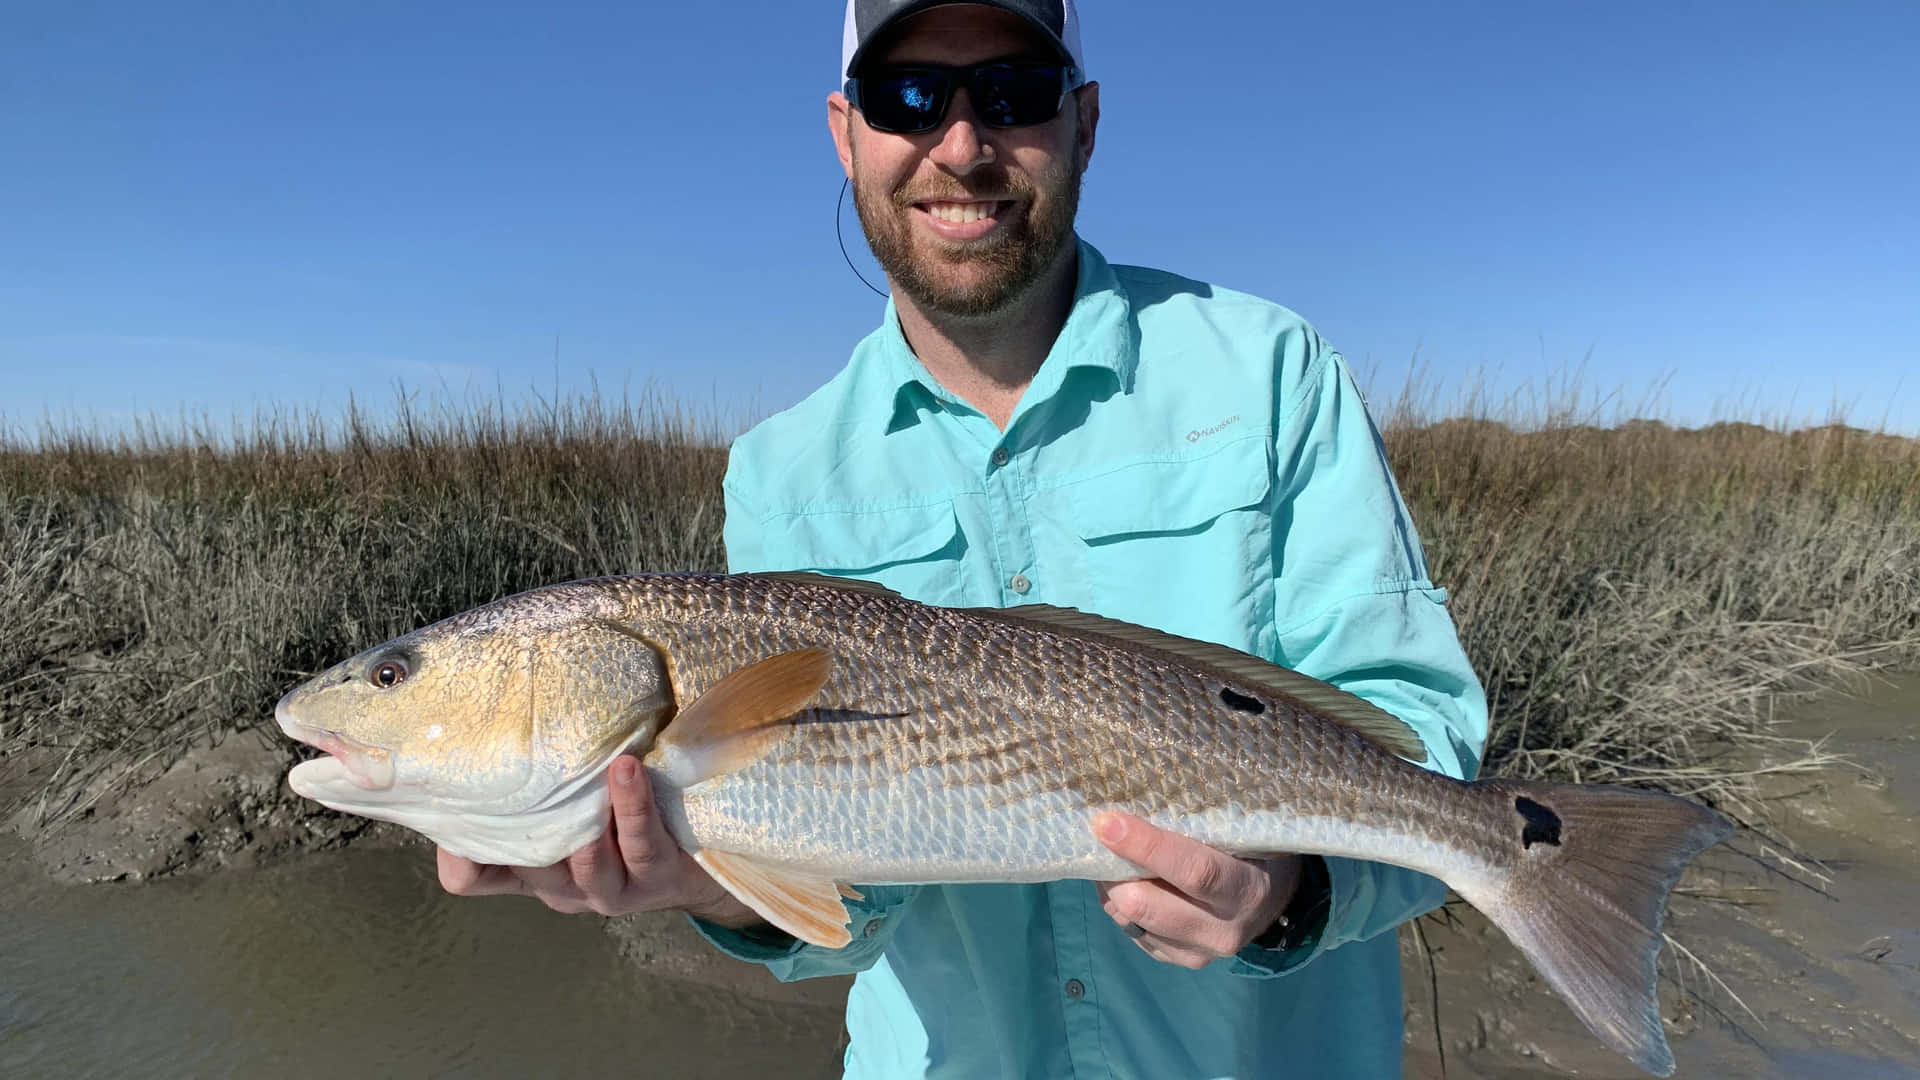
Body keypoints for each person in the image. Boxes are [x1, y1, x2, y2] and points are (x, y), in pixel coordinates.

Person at [439, 2, 1489, 1075]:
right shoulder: (779, 471)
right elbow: (854, 903)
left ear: (1083, 122)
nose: (961, 144)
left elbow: (1422, 730)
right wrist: (710, 880)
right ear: (846, 131)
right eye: (908, 96)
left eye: (1013, 93)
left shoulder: (1271, 372)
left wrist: (1293, 893)